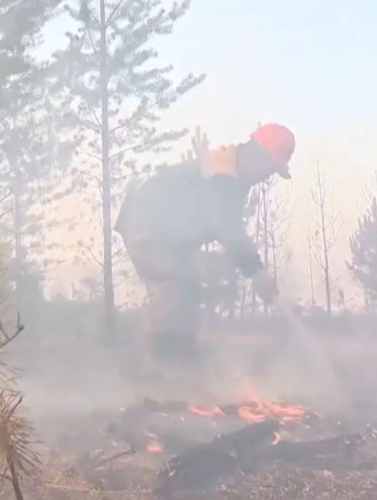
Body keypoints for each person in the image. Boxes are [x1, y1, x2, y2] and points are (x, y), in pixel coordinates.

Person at [115, 124, 295, 365]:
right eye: (270, 168)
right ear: (257, 154)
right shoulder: (223, 174)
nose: (267, 176)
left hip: (169, 236)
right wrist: (256, 272)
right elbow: (227, 226)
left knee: (189, 289)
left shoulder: (230, 172)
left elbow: (225, 227)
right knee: (174, 284)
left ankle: (181, 364)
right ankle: (152, 368)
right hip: (146, 224)